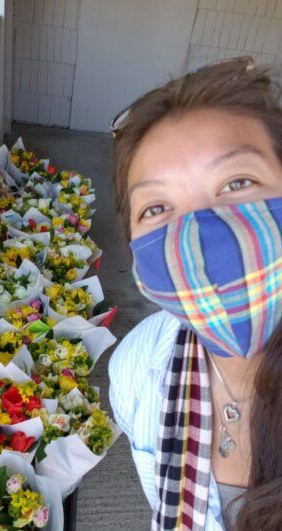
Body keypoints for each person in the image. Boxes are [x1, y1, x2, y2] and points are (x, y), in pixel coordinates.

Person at [108, 56, 282, 531]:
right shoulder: (137, 373)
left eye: (237, 182)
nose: (197, 236)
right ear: (137, 256)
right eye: (157, 207)